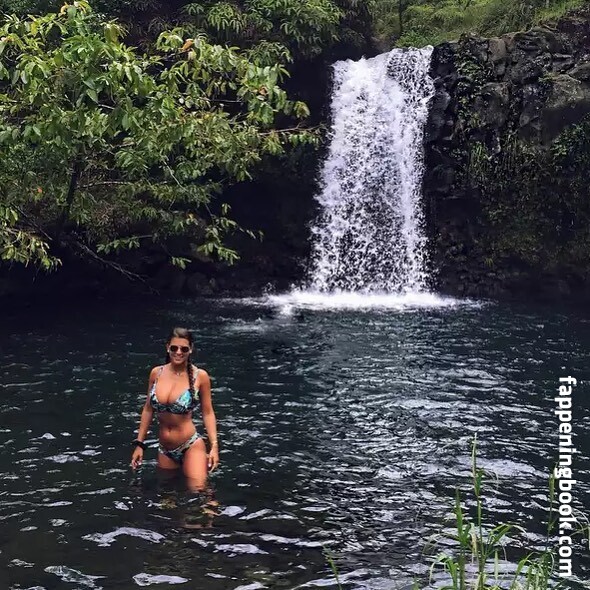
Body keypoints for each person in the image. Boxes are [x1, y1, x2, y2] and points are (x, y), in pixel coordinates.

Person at [130, 327, 219, 490]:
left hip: (191, 445)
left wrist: (214, 446)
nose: (178, 352)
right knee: (167, 495)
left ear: (190, 349)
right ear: (167, 348)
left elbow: (207, 412)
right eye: (174, 348)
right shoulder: (156, 373)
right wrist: (139, 444)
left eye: (184, 349)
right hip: (165, 449)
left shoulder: (200, 376)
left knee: (200, 492)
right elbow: (148, 409)